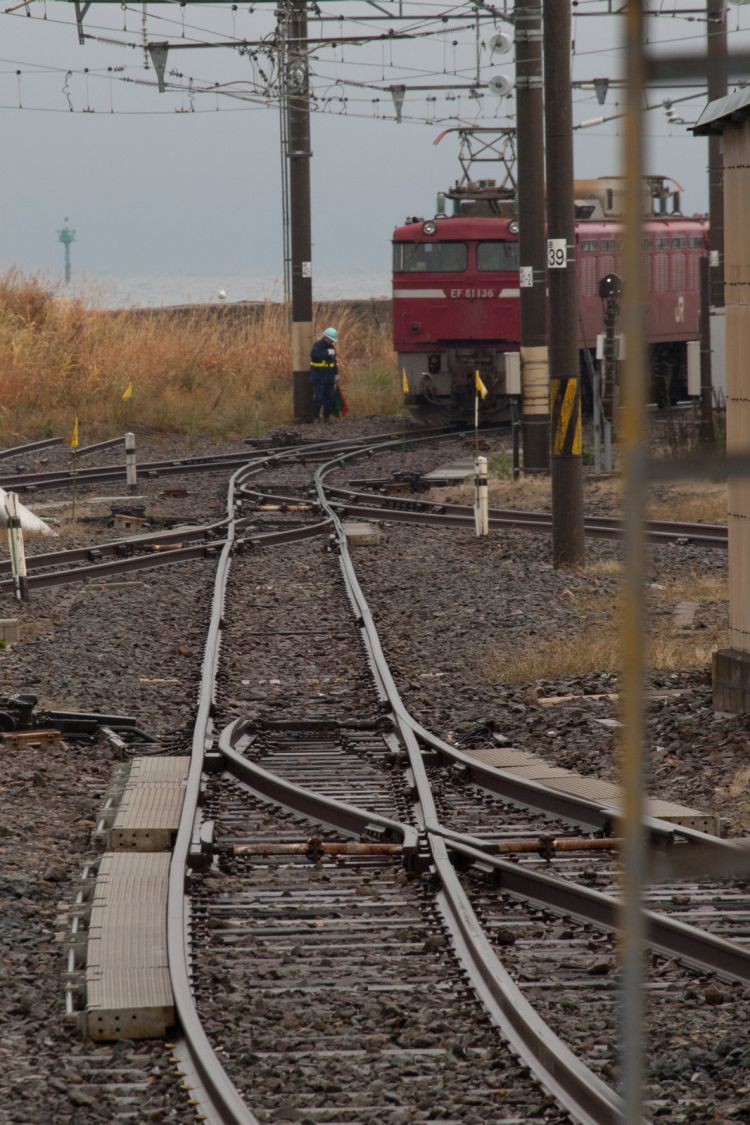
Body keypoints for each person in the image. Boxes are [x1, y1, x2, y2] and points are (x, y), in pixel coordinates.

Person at [309, 326, 338, 422]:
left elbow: (334, 362)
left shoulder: (332, 347)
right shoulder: (317, 345)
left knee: (329, 398)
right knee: (319, 398)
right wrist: (327, 353)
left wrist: (336, 373)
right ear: (326, 337)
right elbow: (315, 356)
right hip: (318, 376)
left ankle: (327, 418)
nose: (332, 341)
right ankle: (316, 418)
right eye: (331, 339)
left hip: (329, 377)